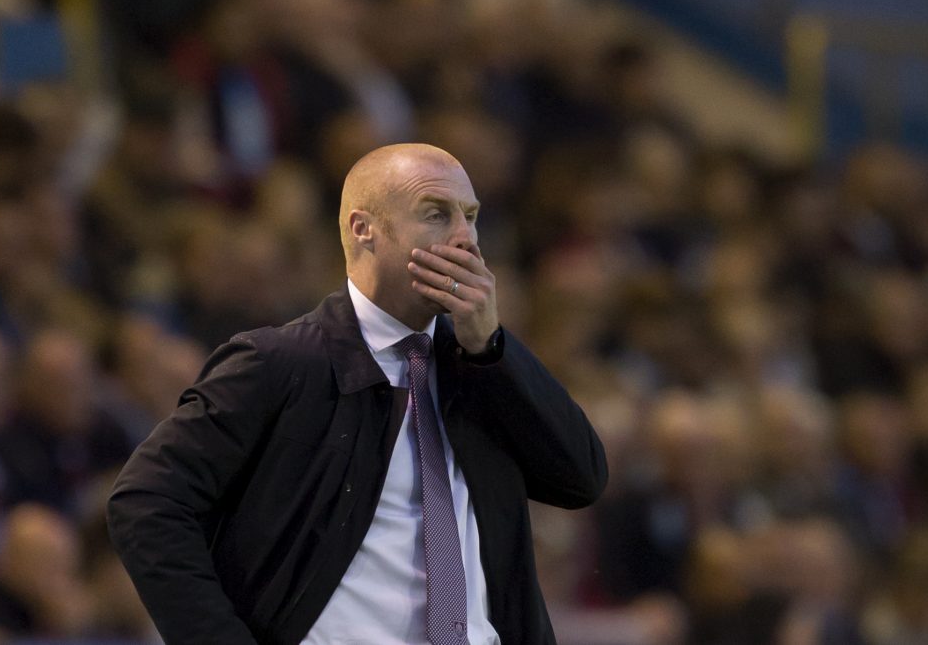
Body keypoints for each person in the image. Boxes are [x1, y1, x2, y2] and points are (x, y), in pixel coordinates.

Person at [106, 143, 608, 644]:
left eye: (471, 216)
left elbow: (580, 479)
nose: (466, 239)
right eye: (436, 214)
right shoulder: (278, 363)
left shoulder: (482, 367)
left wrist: (493, 349)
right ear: (363, 229)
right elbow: (147, 501)